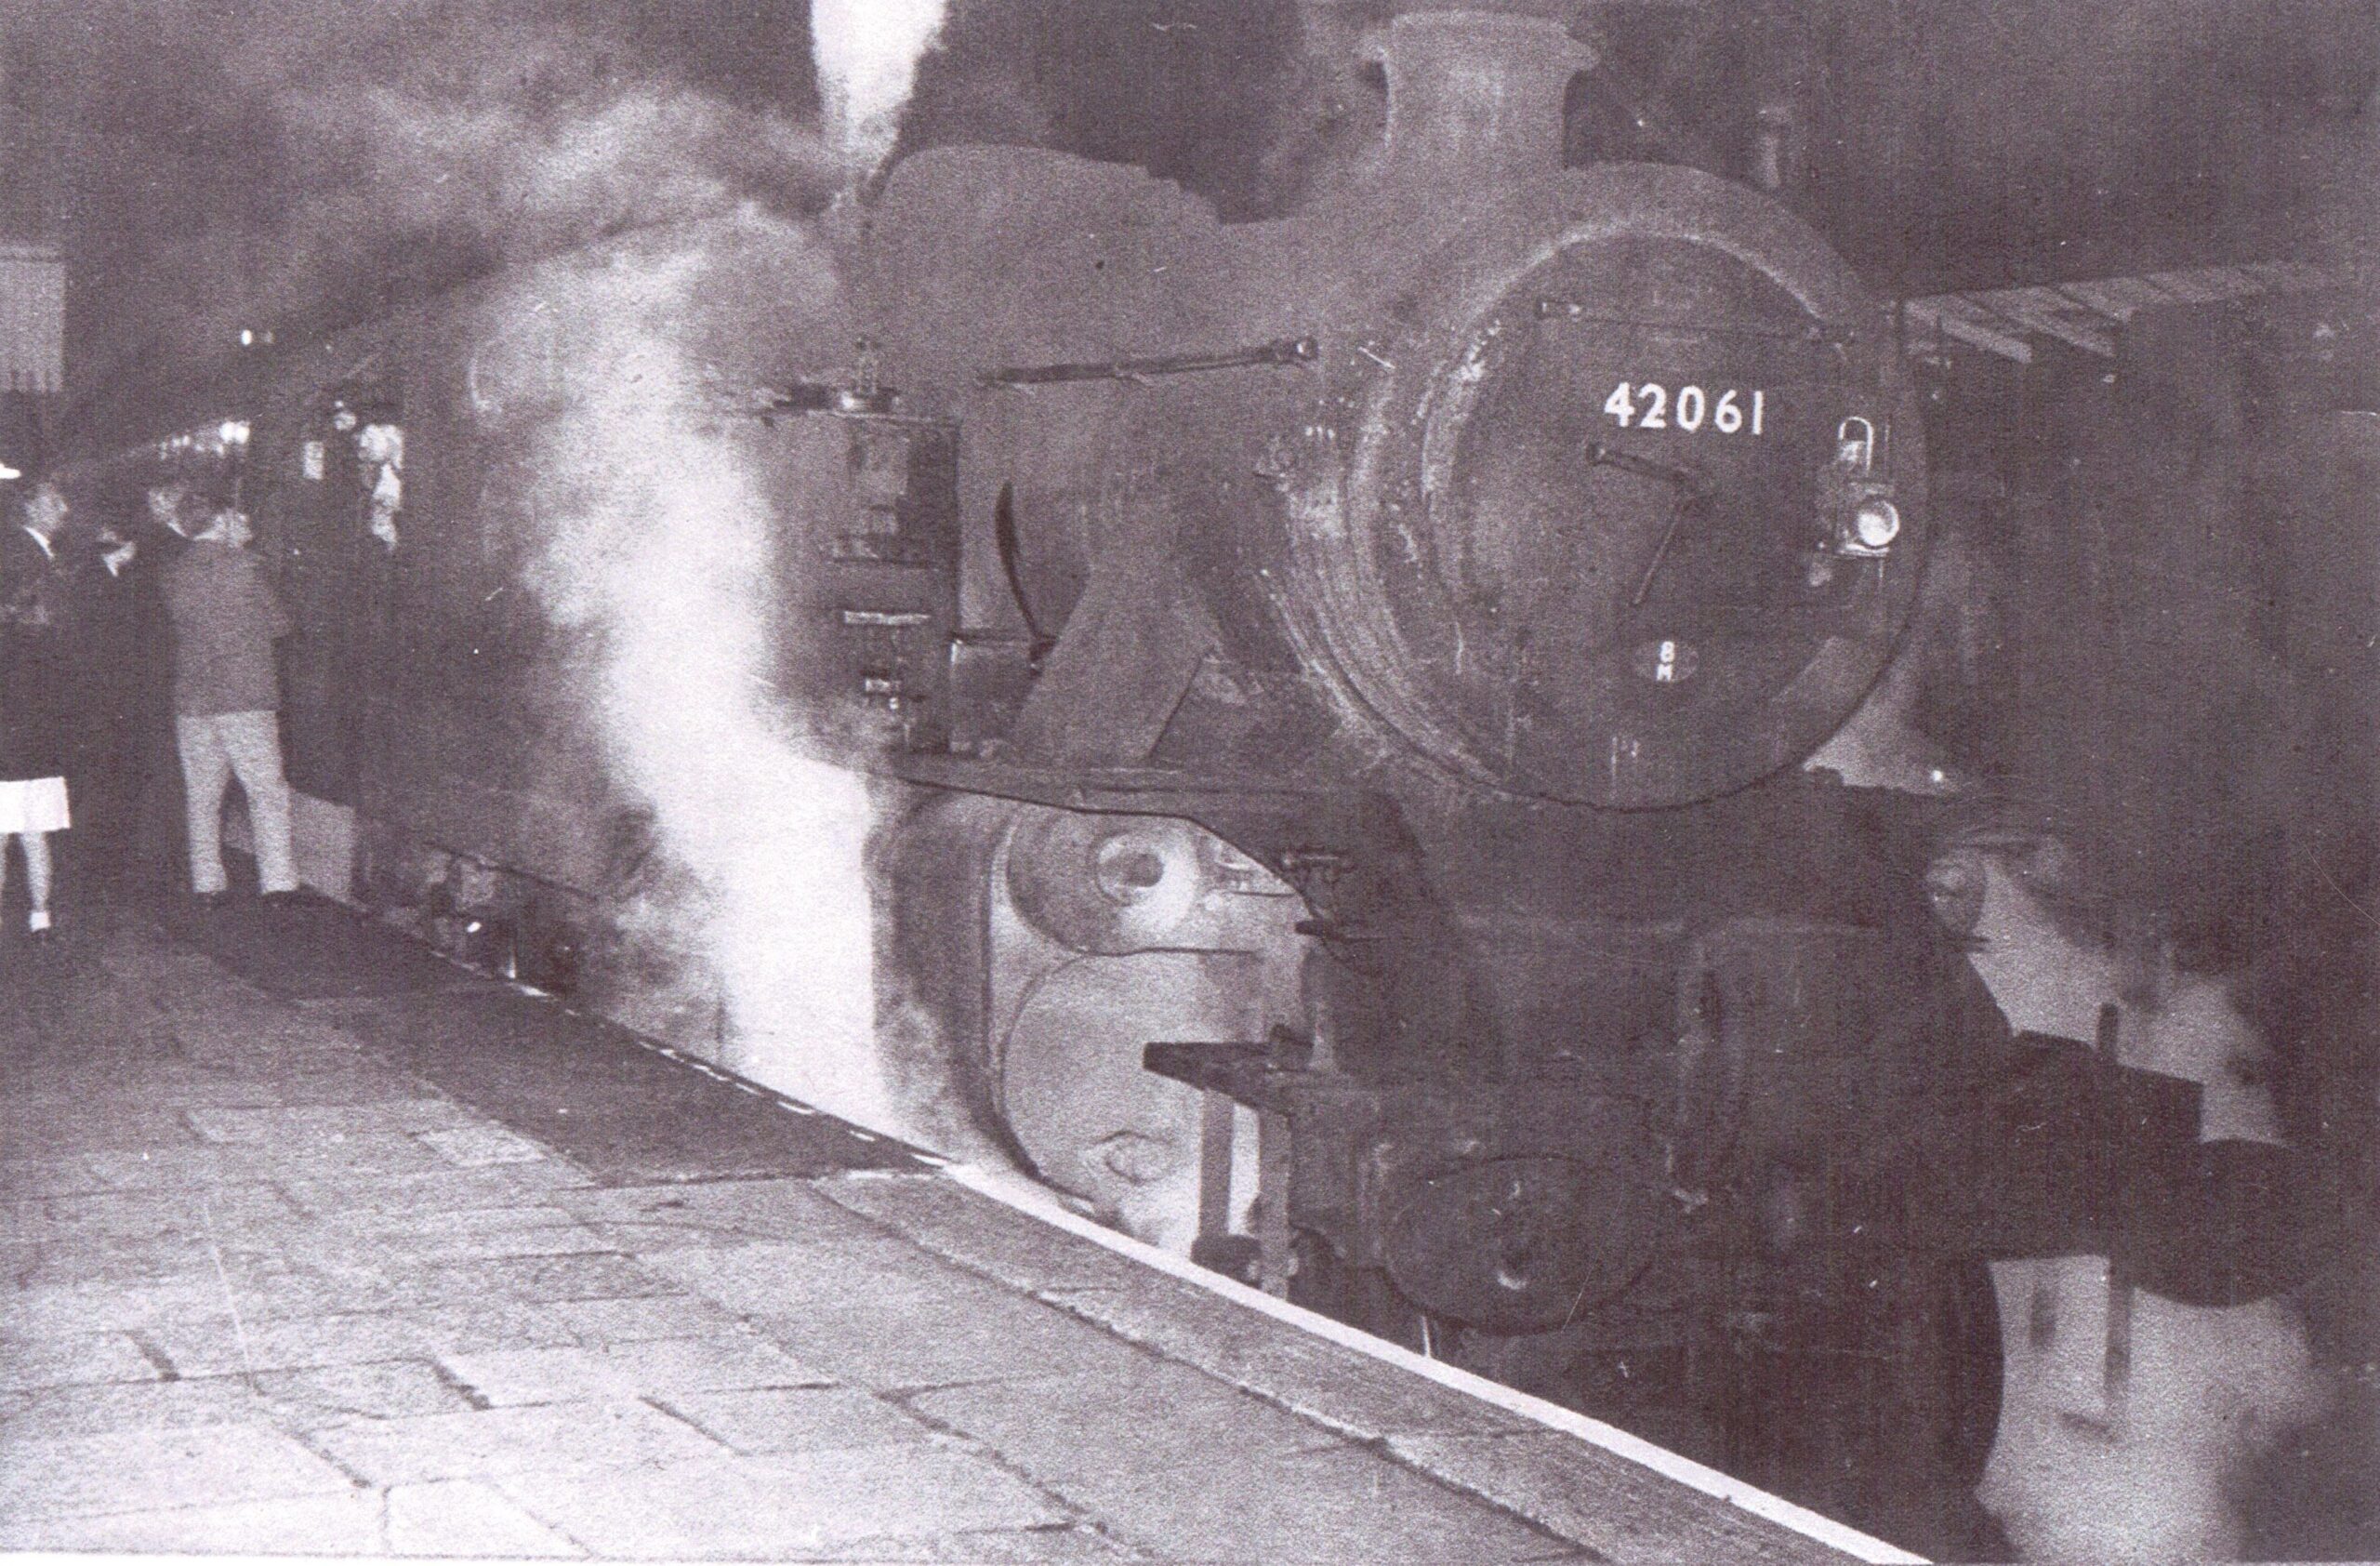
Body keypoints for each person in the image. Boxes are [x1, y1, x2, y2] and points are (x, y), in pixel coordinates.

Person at [161, 503, 298, 904]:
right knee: (265, 791)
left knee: (202, 796)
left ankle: (206, 883)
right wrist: (239, 552)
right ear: (220, 522)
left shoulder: (173, 572)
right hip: (245, 697)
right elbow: (279, 624)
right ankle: (278, 885)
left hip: (194, 698)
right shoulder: (245, 567)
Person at [68, 513, 169, 900]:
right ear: (125, 547)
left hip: (109, 703)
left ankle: (102, 859)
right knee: (108, 782)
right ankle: (100, 864)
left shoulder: (104, 580)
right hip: (108, 703)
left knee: (109, 780)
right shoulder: (102, 585)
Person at [0, 482, 76, 938]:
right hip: (34, 727)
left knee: (5, 829)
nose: (64, 510)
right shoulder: (25, 557)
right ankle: (40, 915)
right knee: (34, 829)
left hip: (13, 725)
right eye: (55, 501)